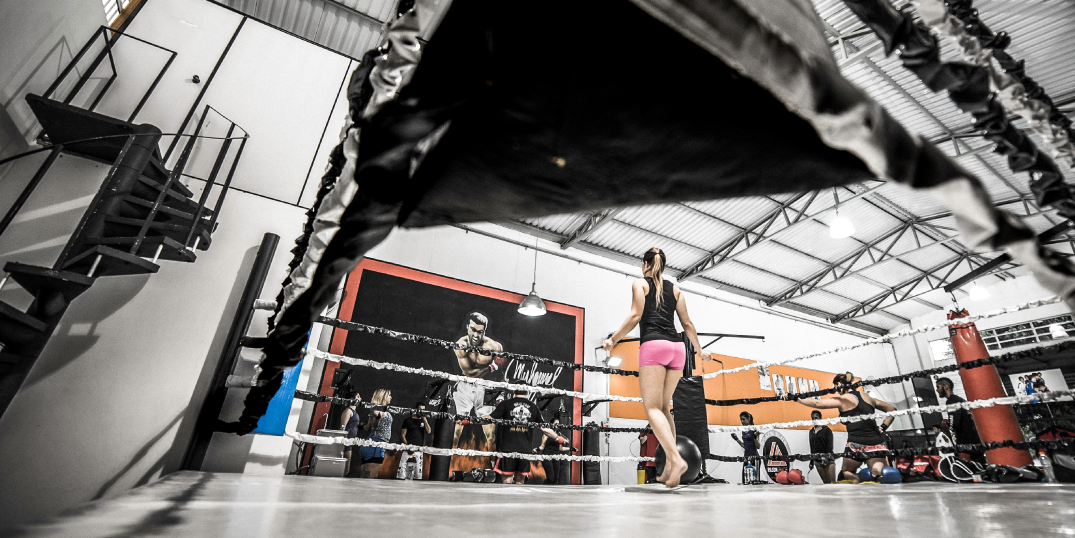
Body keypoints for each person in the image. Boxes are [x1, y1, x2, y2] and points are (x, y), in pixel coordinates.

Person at [603, 247, 710, 488]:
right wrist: (700, 350)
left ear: (645, 264)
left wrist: (613, 340)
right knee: (664, 407)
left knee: (651, 409)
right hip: (678, 349)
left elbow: (635, 316)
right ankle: (672, 468)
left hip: (654, 346)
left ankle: (675, 459)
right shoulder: (677, 288)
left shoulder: (639, 284)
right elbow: (687, 323)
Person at [790, 372, 896, 483]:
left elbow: (817, 403)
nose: (836, 391)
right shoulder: (867, 396)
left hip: (856, 442)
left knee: (847, 472)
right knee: (877, 472)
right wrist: (883, 427)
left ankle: (860, 493)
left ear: (839, 384)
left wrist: (795, 398)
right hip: (877, 442)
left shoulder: (844, 399)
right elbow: (892, 409)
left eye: (836, 387)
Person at [484, 388, 564, 484]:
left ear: (514, 390)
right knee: (520, 482)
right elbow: (544, 428)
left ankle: (506, 499)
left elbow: (489, 418)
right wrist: (557, 437)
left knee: (507, 482)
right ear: (527, 391)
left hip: (508, 449)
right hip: (524, 450)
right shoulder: (533, 407)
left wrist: (470, 420)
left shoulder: (506, 404)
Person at [358, 388, 393, 478]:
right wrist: (377, 417)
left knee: (363, 478)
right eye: (389, 395)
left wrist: (360, 426)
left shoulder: (377, 410)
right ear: (383, 396)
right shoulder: (379, 411)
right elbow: (376, 424)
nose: (391, 397)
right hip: (376, 446)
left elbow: (367, 428)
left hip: (370, 444)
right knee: (370, 479)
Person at [935, 377, 980, 446]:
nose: (937, 390)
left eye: (938, 387)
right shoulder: (960, 399)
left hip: (965, 440)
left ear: (946, 387)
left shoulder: (951, 401)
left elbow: (954, 424)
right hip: (974, 438)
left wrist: (948, 424)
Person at [397, 402, 432, 479]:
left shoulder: (423, 421)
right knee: (402, 473)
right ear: (416, 409)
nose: (422, 412)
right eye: (420, 410)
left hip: (419, 450)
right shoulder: (408, 420)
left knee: (418, 475)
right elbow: (402, 435)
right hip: (408, 449)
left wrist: (425, 419)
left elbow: (429, 431)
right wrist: (408, 447)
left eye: (423, 410)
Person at [339, 390, 367, 477]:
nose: (360, 398)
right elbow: (342, 428)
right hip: (346, 442)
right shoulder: (348, 411)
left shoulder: (354, 412)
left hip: (351, 442)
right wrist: (343, 443)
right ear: (352, 399)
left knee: (347, 469)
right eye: (358, 397)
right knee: (344, 469)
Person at [731, 411, 761, 484]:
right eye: (741, 420)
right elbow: (744, 446)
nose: (742, 421)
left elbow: (758, 446)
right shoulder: (743, 431)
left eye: (744, 419)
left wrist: (755, 437)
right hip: (746, 458)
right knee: (745, 481)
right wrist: (736, 439)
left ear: (749, 419)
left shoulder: (754, 430)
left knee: (755, 482)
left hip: (754, 458)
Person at [808, 410, 835, 484]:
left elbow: (830, 446)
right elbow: (812, 447)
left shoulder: (826, 430)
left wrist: (826, 458)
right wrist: (811, 462)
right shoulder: (811, 432)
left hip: (828, 459)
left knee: (832, 483)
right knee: (825, 482)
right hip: (817, 460)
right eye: (813, 418)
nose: (814, 420)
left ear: (820, 418)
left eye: (816, 418)